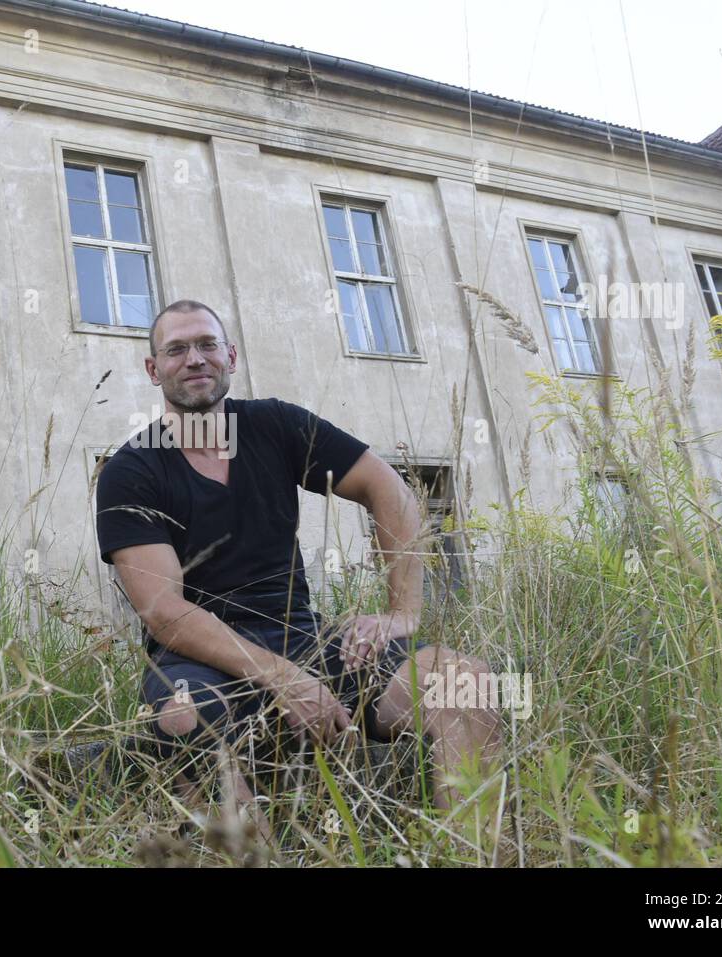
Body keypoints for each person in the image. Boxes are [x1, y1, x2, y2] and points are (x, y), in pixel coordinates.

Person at [95, 299, 502, 836]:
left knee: (463, 682)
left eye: (207, 345)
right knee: (181, 715)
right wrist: (285, 679)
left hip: (300, 634)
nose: (194, 359)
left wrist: (401, 615)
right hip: (198, 659)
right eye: (176, 350)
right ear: (154, 369)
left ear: (231, 357)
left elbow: (391, 490)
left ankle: (469, 853)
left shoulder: (274, 425)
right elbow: (165, 613)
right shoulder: (132, 470)